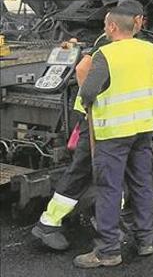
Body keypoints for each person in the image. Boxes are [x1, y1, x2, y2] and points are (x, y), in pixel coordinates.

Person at [73, 1, 153, 268]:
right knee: (142, 185)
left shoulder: (106, 55)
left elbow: (88, 92)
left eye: (105, 25)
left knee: (109, 189)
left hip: (112, 133)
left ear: (112, 26)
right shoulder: (150, 49)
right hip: (142, 128)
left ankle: (108, 251)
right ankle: (145, 241)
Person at [30, 33, 111, 251]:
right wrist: (89, 106)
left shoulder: (108, 43)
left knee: (101, 170)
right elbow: (83, 70)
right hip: (97, 120)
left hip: (102, 120)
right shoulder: (111, 47)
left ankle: (105, 220)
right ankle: (48, 223)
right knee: (84, 170)